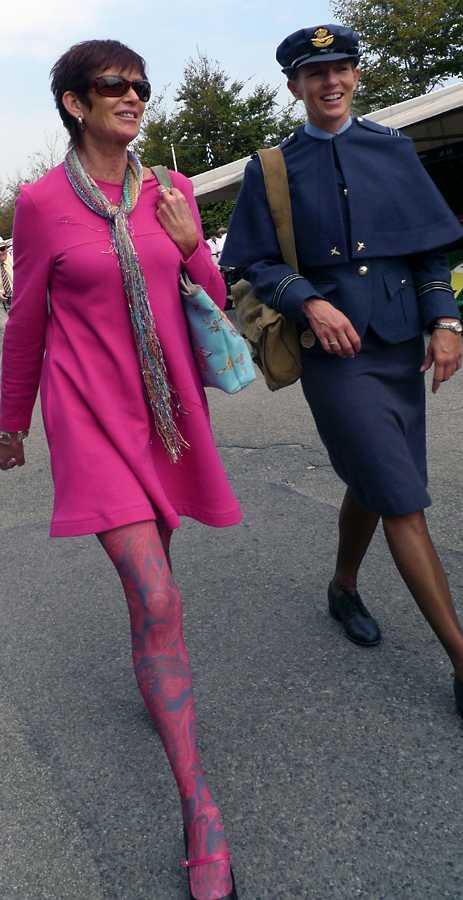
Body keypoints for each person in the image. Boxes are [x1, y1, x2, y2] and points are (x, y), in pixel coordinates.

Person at [0, 39, 239, 900]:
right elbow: (24, 322)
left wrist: (188, 240)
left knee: (153, 595)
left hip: (168, 419)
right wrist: (10, 421)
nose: (132, 97)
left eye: (140, 85)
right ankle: (199, 811)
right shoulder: (40, 202)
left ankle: (152, 668)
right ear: (73, 103)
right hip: (89, 417)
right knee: (159, 596)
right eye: (112, 86)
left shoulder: (169, 191)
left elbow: (205, 293)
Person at [221, 23, 463, 719]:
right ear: (293, 85)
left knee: (375, 479)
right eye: (313, 72)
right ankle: (457, 655)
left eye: (341, 69)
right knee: (399, 495)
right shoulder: (270, 167)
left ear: (356, 75)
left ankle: (342, 587)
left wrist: (445, 322)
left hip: (395, 345)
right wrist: (308, 303)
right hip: (333, 356)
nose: (330, 82)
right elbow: (253, 264)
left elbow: (425, 253)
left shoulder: (390, 151)